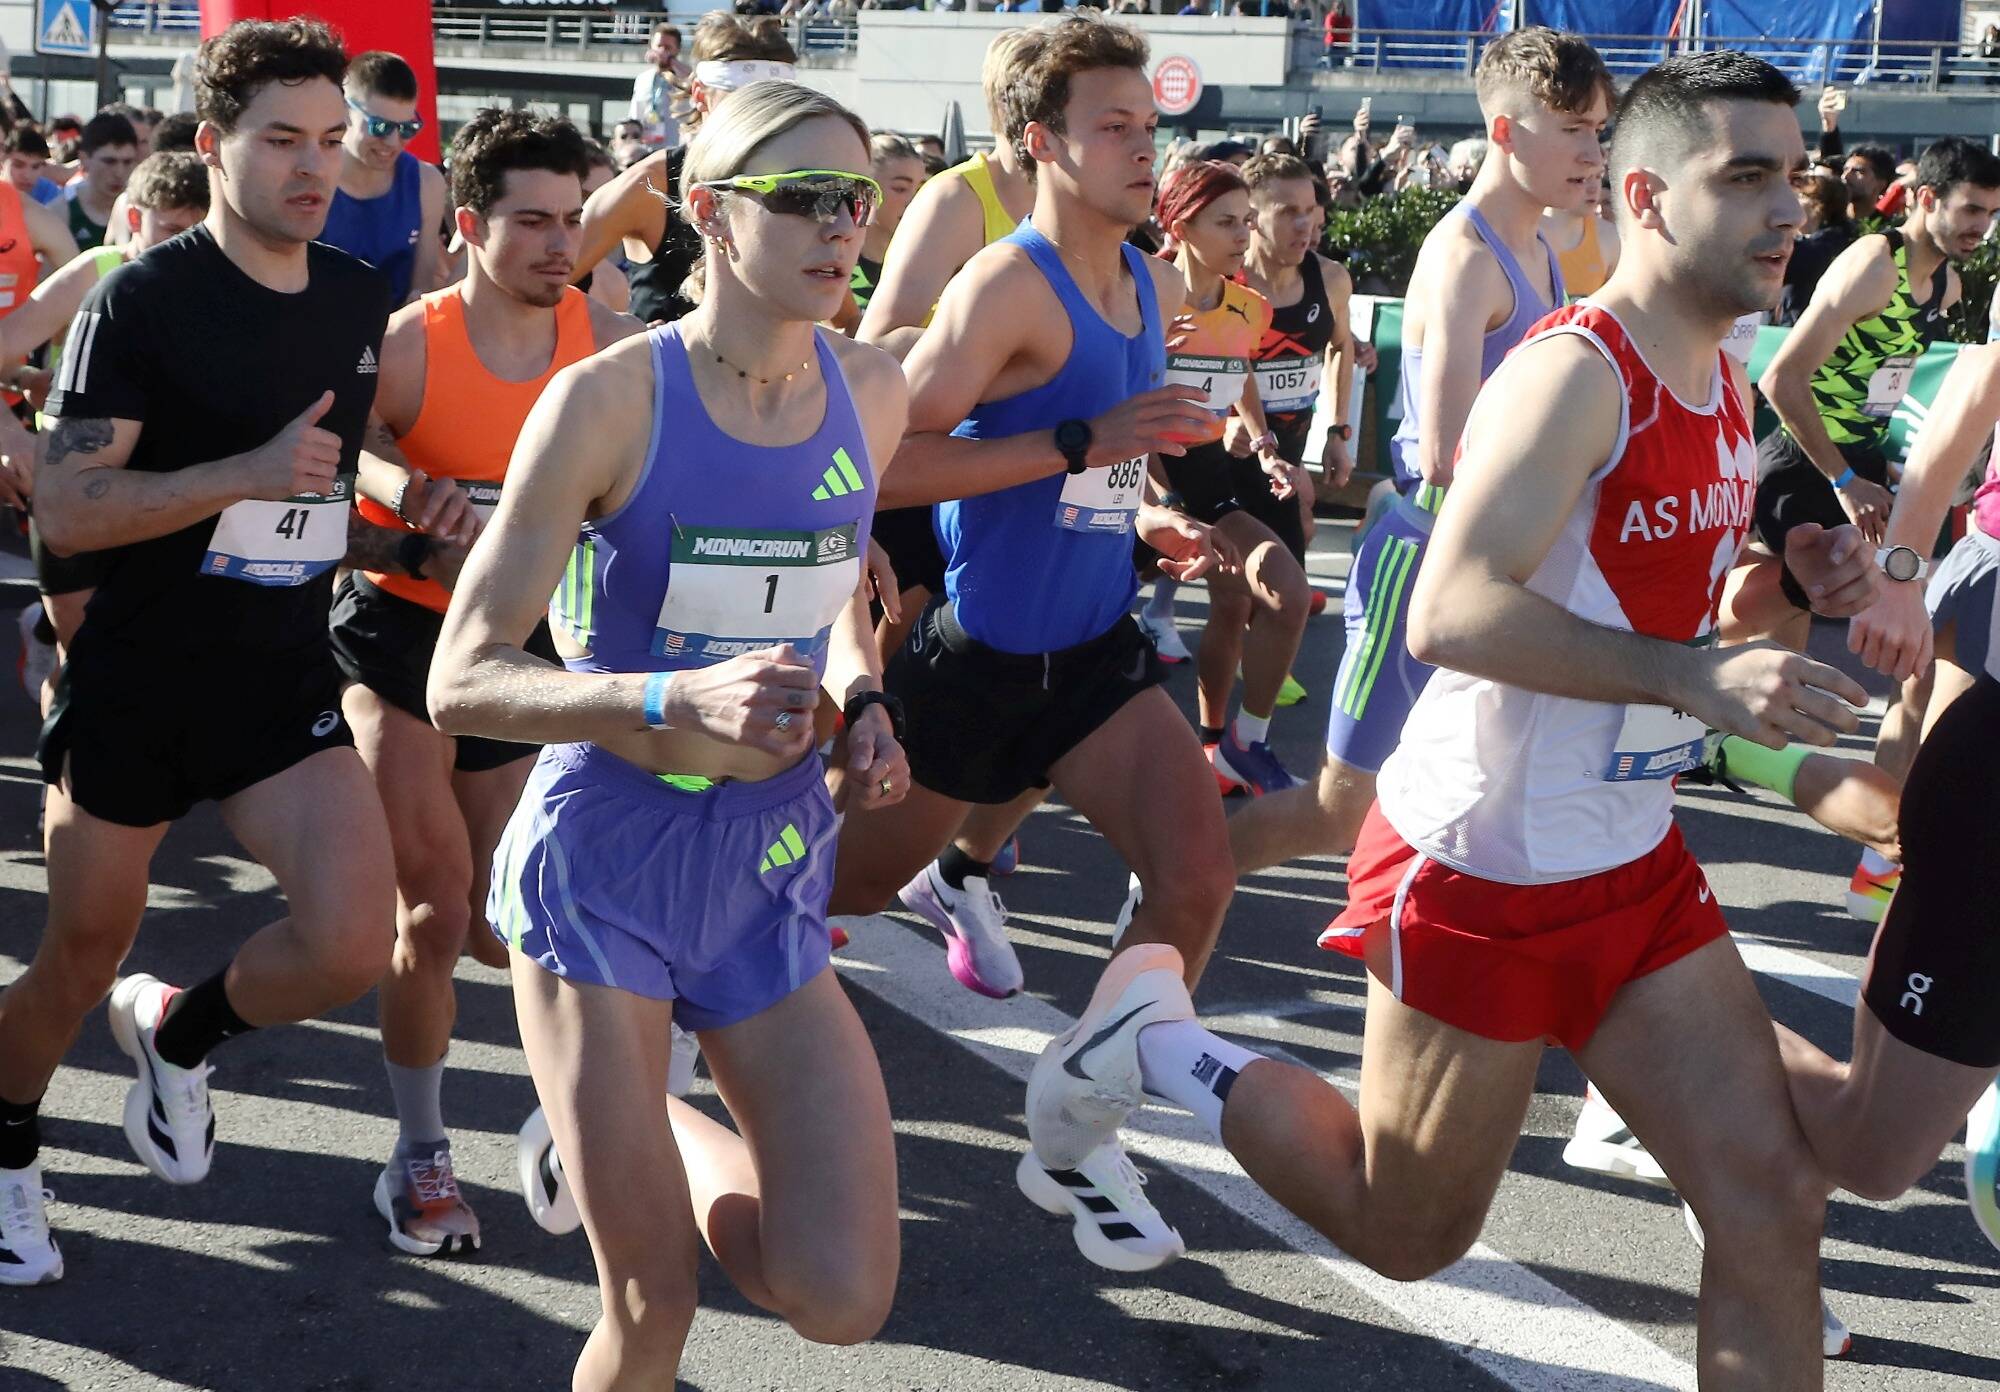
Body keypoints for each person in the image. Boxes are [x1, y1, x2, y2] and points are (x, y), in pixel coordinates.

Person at [1031, 51, 1883, 1385]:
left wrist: (1787, 581)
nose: (1790, 210)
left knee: (1772, 1198)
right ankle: (1165, 1045)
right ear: (1654, 197)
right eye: (1749, 178)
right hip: (1481, 868)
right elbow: (1451, 613)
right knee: (1407, 1228)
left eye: (1797, 176)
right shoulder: (1577, 372)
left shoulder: (1723, 377)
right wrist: (1690, 680)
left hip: (1630, 862)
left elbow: (1651, 592)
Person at [428, 79, 905, 1382]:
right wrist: (664, 701)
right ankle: (618, 1112)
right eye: (801, 197)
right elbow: (461, 678)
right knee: (654, 1307)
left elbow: (838, 596)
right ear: (708, 212)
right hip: (609, 869)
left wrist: (862, 701)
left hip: (767, 868)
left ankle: (642, 1114)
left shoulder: (872, 387)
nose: (839, 226)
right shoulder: (609, 401)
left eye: (854, 199)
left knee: (841, 1295)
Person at [0, 17, 396, 1287]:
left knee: (351, 940)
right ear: (214, 145)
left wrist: (413, 499)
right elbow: (65, 508)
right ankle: (9, 1151)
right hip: (137, 683)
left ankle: (179, 1034)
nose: (313, 166)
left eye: (331, 140)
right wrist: (238, 476)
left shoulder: (352, 293)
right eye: (282, 139)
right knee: (78, 954)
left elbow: (339, 453)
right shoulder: (143, 298)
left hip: (281, 675)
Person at [830, 14, 1232, 1267]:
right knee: (818, 899)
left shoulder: (1146, 280)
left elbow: (1102, 462)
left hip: (1095, 653)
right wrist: (1078, 446)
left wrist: (1146, 513)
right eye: (1109, 127)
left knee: (1195, 875)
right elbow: (890, 455)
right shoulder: (1007, 283)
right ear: (1035, 143)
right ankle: (658, 1029)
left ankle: (1071, 1127)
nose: (1138, 147)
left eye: (1145, 126)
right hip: (982, 661)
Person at [328, 108, 642, 1258]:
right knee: (432, 904)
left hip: (522, 654)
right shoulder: (410, 339)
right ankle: (416, 1154)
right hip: (399, 644)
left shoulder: (607, 344)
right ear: (469, 224)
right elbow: (333, 448)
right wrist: (402, 484)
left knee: (506, 920)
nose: (562, 243)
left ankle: (571, 1110)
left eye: (574, 219)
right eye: (533, 221)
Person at [1227, 29, 1604, 880]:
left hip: (1497, 560)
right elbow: (1443, 455)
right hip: (1426, 555)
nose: (1594, 150)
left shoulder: (1543, 246)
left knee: (1485, 800)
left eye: (1598, 129)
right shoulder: (1466, 257)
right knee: (1340, 809)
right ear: (1507, 132)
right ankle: (1172, 885)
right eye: (1575, 128)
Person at [1741, 137, 2000, 647]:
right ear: (1926, 199)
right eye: (1970, 208)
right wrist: (1843, 479)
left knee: (1835, 620)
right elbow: (1781, 378)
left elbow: (1893, 375)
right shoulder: (1875, 263)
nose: (1982, 226)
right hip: (1805, 461)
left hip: (1862, 463)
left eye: (1992, 212)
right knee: (1790, 612)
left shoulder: (1948, 287)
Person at [0, 152, 200, 719]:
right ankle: (58, 787)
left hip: (160, 497)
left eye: (195, 230)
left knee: (144, 660)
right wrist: (12, 422)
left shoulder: (213, 284)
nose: (181, 245)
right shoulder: (97, 269)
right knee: (84, 655)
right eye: (169, 228)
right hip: (71, 486)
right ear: (135, 219)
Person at [1142, 158, 1312, 794]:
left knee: (1278, 596)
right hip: (1132, 479)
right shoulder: (1144, 298)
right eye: (1226, 222)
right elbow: (1117, 402)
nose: (1243, 235)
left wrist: (1265, 444)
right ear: (1180, 225)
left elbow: (1239, 372)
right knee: (1079, 652)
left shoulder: (1248, 307)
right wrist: (1164, 500)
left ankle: (1234, 743)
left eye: (1246, 221)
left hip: (1211, 478)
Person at [576, 12, 798, 327]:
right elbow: (542, 283)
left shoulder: (803, 181)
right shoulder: (654, 180)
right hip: (661, 374)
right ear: (699, 93)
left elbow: (844, 317)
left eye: (776, 104)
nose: (759, 117)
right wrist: (619, 336)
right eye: (741, 100)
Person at [319, 51, 446, 307]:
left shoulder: (427, 183)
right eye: (380, 126)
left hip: (392, 337)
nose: (392, 142)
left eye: (407, 128)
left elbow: (419, 290)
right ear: (344, 112)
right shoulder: (312, 176)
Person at [834, 131, 924, 334]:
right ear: (866, 190)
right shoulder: (831, 258)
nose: (914, 201)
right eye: (901, 188)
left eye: (920, 189)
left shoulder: (928, 263)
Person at [60, 112, 139, 251]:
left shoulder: (144, 212)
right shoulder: (61, 212)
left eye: (127, 162)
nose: (119, 173)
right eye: (109, 161)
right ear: (84, 159)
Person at [1543, 183, 1620, 297]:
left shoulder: (1610, 237)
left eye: (1598, 176)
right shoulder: (1523, 231)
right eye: (1580, 180)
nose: (1593, 189)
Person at [631, 23, 689, 151]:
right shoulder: (642, 79)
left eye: (668, 48)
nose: (662, 51)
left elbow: (691, 78)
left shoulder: (683, 78)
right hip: (645, 149)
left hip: (674, 148)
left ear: (677, 50)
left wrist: (670, 61)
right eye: (659, 46)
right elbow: (635, 114)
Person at [5, 128, 64, 206]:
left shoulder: (52, 194)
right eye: (18, 165)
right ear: (2, 161)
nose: (27, 175)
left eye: (35, 167)